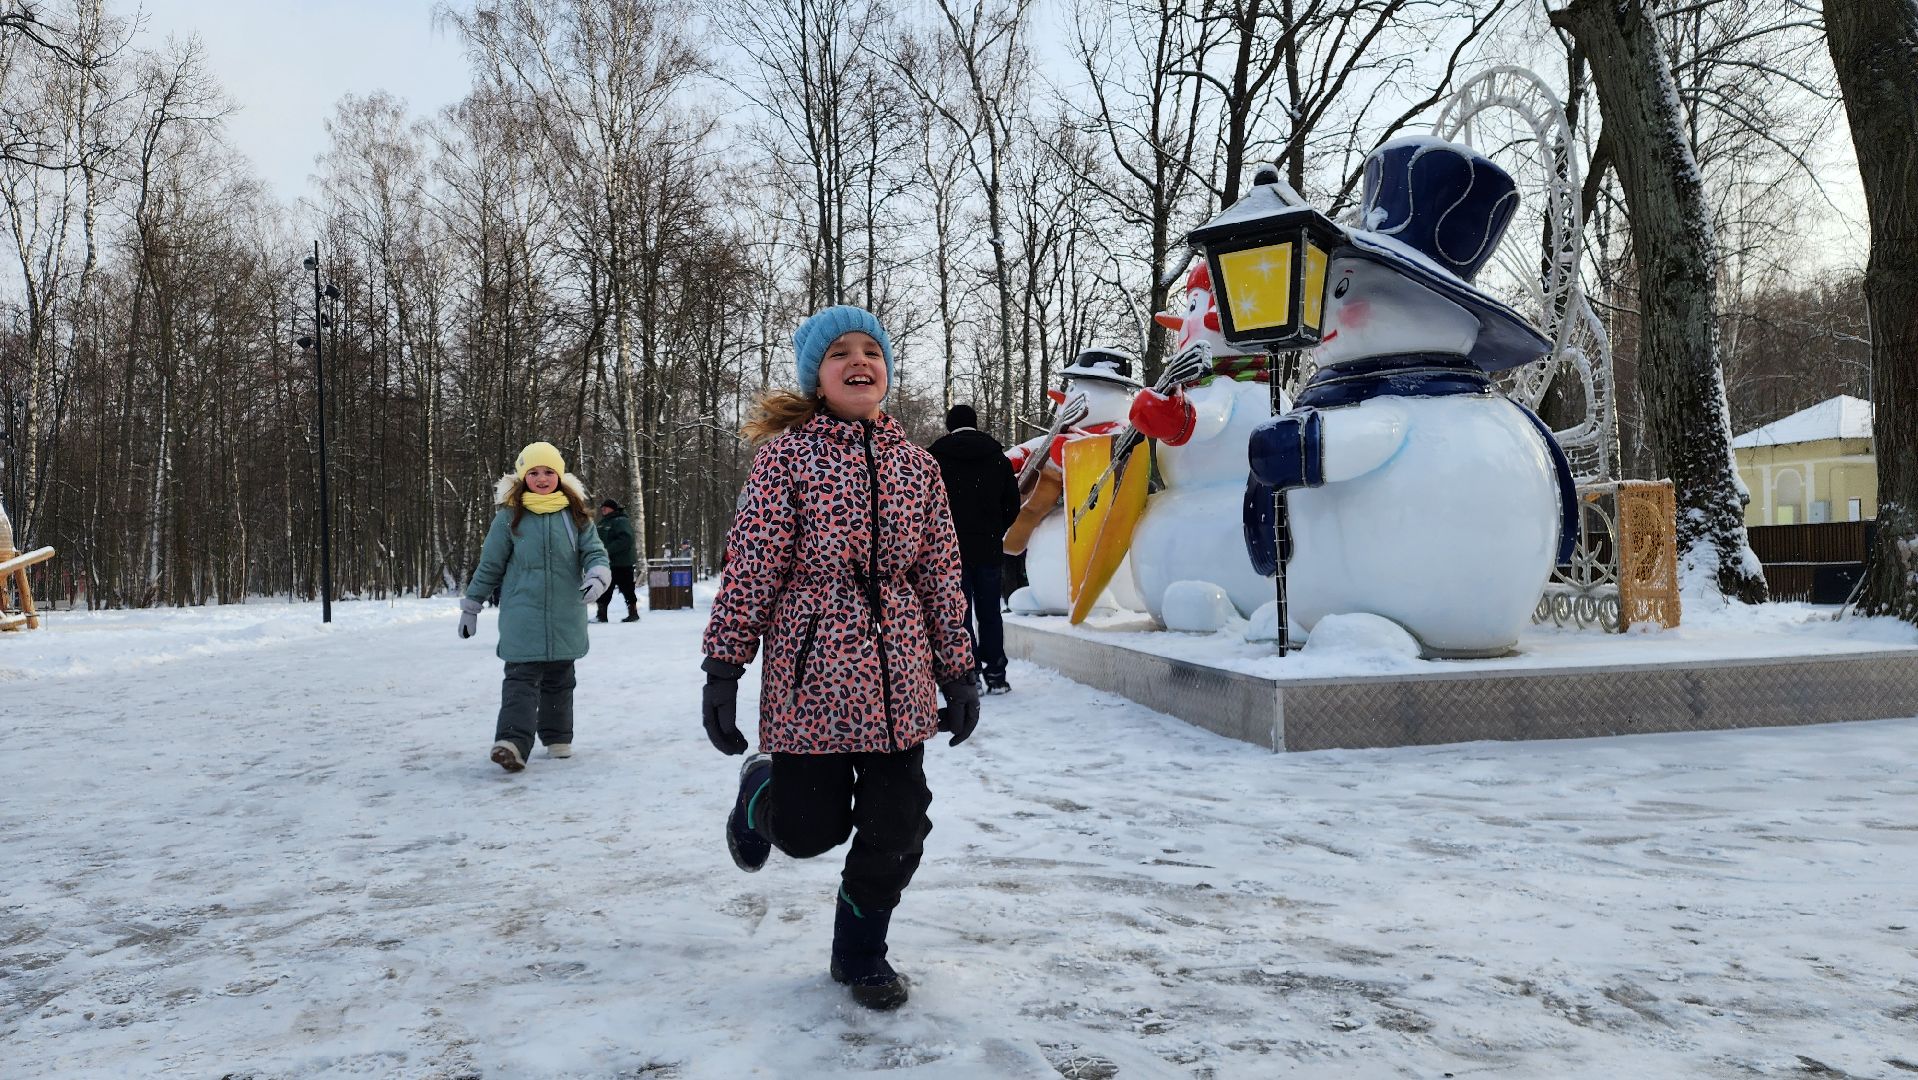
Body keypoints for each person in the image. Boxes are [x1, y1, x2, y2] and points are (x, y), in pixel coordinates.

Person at [699, 305, 980, 1012]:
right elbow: (753, 565)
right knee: (805, 833)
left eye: (872, 351)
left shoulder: (918, 467)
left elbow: (942, 576)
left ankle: (861, 953)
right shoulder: (787, 458)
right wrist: (724, 667)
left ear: (886, 370)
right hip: (811, 681)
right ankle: (760, 790)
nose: (860, 361)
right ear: (816, 378)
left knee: (899, 826)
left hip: (899, 688)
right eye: (840, 353)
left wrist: (958, 670)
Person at [459, 441, 612, 772]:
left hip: (564, 615)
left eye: (548, 472)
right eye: (533, 472)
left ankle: (557, 737)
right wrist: (472, 606)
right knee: (520, 681)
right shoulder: (508, 519)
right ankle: (512, 743)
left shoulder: (576, 517)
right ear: (522, 477)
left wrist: (599, 576)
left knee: (560, 678)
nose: (542, 479)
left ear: (559, 475)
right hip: (522, 616)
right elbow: (490, 566)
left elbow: (595, 553)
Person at [927, 403, 1020, 694]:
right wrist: (996, 529)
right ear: (975, 423)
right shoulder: (997, 458)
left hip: (951, 550)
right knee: (990, 612)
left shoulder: (935, 459)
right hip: (988, 547)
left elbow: (925, 505)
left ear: (949, 425)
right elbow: (1012, 503)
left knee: (959, 613)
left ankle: (969, 674)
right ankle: (996, 673)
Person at [594, 499, 641, 623]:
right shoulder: (603, 522)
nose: (603, 509)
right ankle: (601, 614)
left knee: (627, 588)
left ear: (613, 509)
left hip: (622, 562)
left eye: (606, 507)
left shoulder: (620, 521)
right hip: (608, 563)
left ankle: (633, 612)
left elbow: (626, 539)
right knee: (604, 588)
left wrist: (607, 550)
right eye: (602, 507)